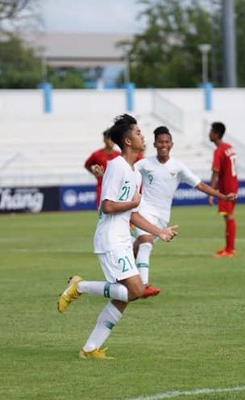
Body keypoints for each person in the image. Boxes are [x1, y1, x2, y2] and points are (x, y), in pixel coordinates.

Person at [57, 114, 178, 360]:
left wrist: (159, 232)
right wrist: (132, 202)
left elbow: (133, 215)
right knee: (136, 291)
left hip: (121, 238)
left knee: (124, 298)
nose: (143, 135)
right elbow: (108, 206)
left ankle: (90, 348)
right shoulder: (116, 165)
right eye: (138, 132)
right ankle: (78, 286)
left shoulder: (134, 173)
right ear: (127, 140)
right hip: (111, 239)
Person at [134, 126, 237, 297]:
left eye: (167, 142)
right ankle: (143, 285)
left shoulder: (178, 167)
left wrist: (222, 196)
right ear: (155, 144)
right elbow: (124, 171)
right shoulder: (145, 164)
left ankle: (120, 273)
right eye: (160, 142)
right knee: (145, 243)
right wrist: (103, 173)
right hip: (144, 210)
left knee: (136, 246)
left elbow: (200, 185)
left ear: (171, 144)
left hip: (162, 217)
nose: (163, 145)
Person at [208, 121, 239, 257]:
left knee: (229, 216)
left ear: (215, 134)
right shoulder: (229, 147)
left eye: (211, 131)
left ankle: (230, 249)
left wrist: (211, 191)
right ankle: (229, 247)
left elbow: (215, 171)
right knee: (229, 216)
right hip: (233, 184)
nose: (209, 134)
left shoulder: (219, 150)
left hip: (226, 188)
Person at [84, 129, 121, 207]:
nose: (112, 141)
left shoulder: (119, 155)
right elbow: (87, 165)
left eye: (113, 139)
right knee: (102, 213)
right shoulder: (97, 154)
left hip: (116, 188)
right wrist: (95, 173)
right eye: (109, 139)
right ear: (104, 140)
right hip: (102, 188)